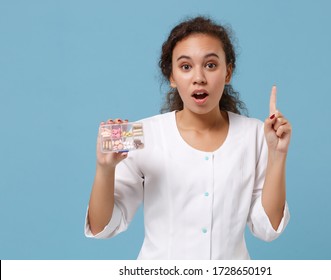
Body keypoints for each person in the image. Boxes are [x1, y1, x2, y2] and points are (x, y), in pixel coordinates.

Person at [85, 16, 292, 260]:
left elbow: (267, 229)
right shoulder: (142, 133)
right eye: (185, 67)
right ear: (171, 76)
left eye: (211, 65)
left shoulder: (256, 134)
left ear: (228, 72)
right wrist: (104, 169)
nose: (199, 77)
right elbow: (101, 227)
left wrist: (278, 155)